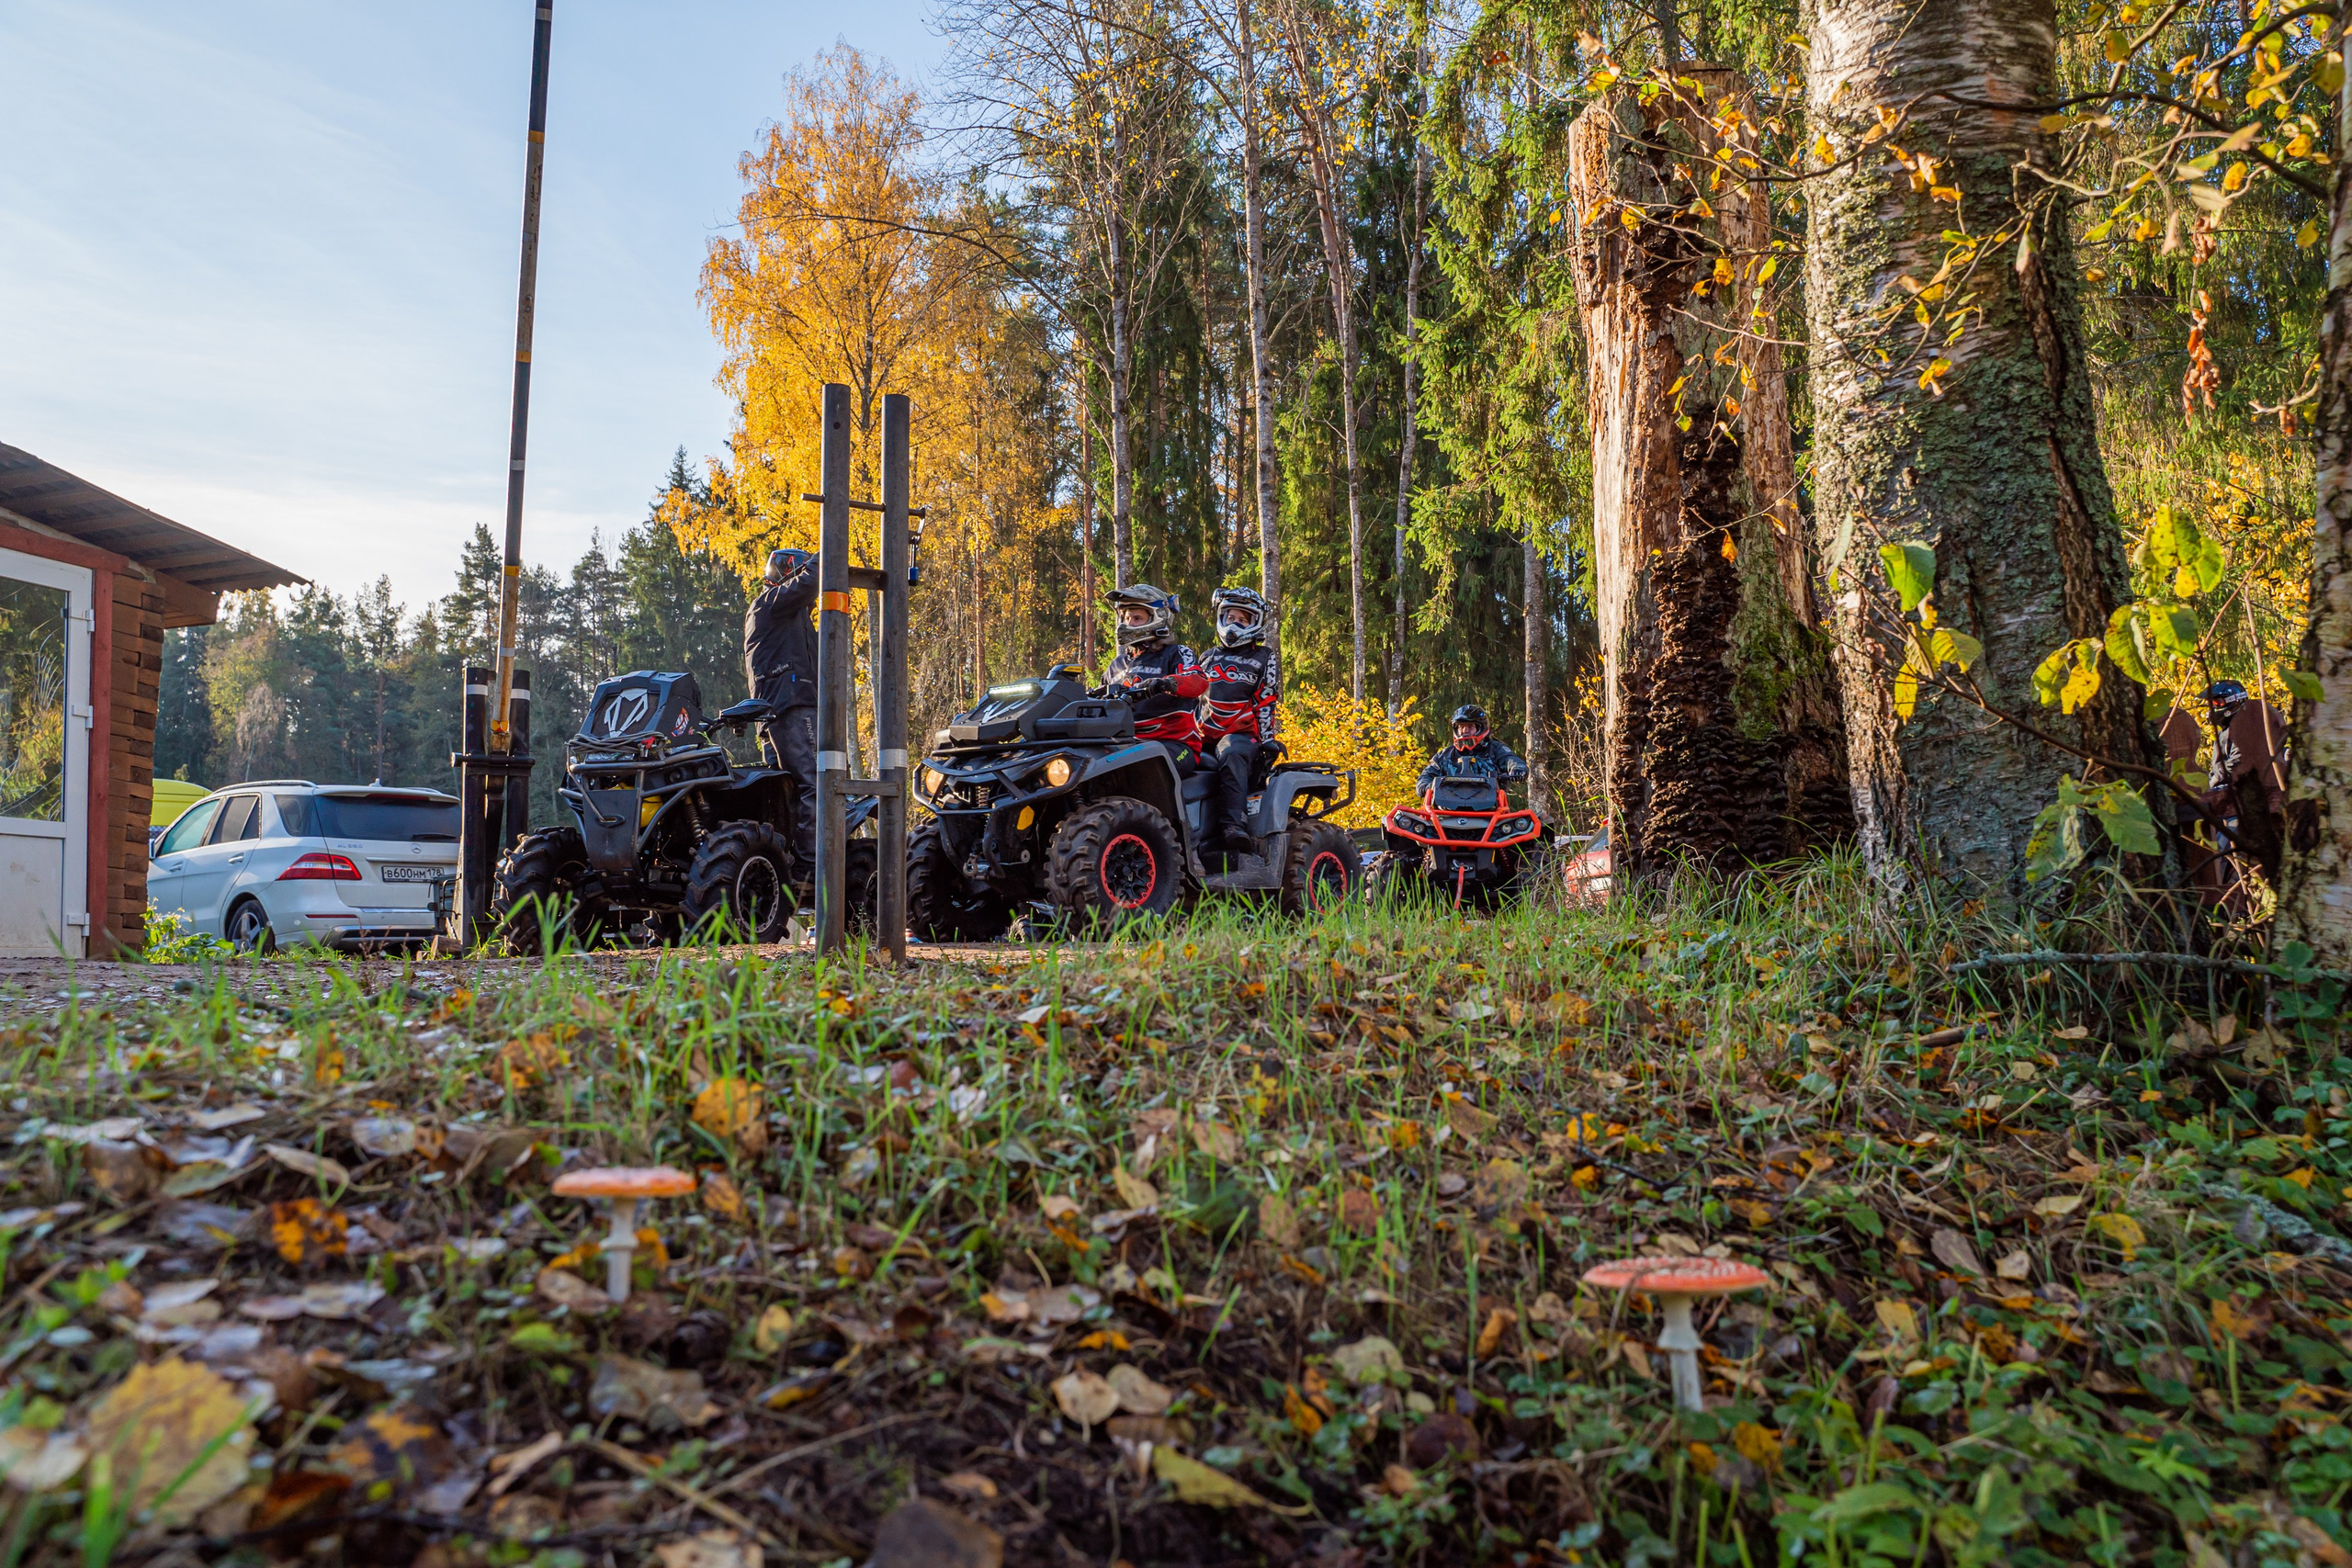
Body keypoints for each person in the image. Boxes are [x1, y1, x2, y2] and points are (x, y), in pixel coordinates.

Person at [744, 547, 820, 874]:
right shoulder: (771, 603)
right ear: (788, 572)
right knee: (813, 783)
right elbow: (812, 579)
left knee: (784, 795)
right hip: (790, 706)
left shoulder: (776, 613)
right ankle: (810, 866)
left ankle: (782, 864)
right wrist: (828, 545)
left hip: (775, 710)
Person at [1197, 587, 1279, 852]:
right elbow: (1191, 701)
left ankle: (1234, 825)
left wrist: (1269, 741)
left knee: (1231, 753)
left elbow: (1266, 701)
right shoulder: (1207, 657)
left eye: (1243, 620)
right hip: (1201, 735)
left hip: (1241, 735)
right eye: (1230, 617)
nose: (1234, 623)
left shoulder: (1264, 657)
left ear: (1255, 623)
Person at [1100, 584, 1209, 765]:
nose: (1129, 624)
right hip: (1124, 745)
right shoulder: (1116, 665)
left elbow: (1198, 682)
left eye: (1137, 618)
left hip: (1175, 746)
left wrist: (1167, 684)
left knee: (1145, 763)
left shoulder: (1176, 653)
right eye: (1126, 618)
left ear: (1158, 617)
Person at [2203, 678, 2288, 890]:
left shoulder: (2250, 720)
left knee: (2222, 845)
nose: (2213, 708)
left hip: (2251, 801)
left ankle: (2229, 894)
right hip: (2238, 797)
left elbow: (2243, 760)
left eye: (2218, 702)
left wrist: (2213, 780)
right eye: (2212, 703)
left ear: (2234, 701)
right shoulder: (2227, 727)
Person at [1418, 704, 1529, 795]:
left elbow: (1511, 760)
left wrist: (1517, 769)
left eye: (1470, 727)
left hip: (1490, 811)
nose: (1465, 731)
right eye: (1461, 727)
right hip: (1446, 811)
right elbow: (1425, 776)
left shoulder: (1496, 749)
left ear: (1481, 728)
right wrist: (1426, 786)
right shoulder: (1444, 755)